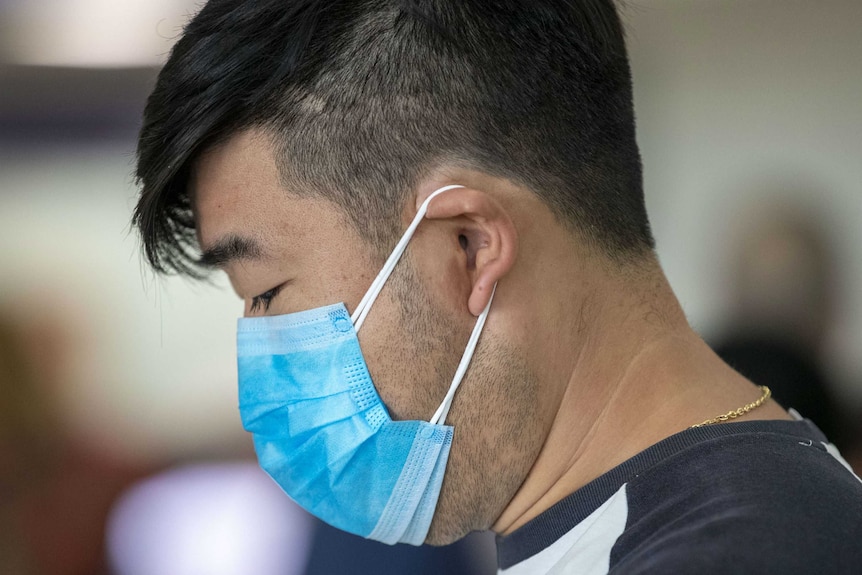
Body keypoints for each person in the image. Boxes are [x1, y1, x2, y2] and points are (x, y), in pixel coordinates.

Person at [132, 0, 862, 572]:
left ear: (469, 247)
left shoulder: (742, 552)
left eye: (265, 291)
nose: (259, 368)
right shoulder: (641, 523)